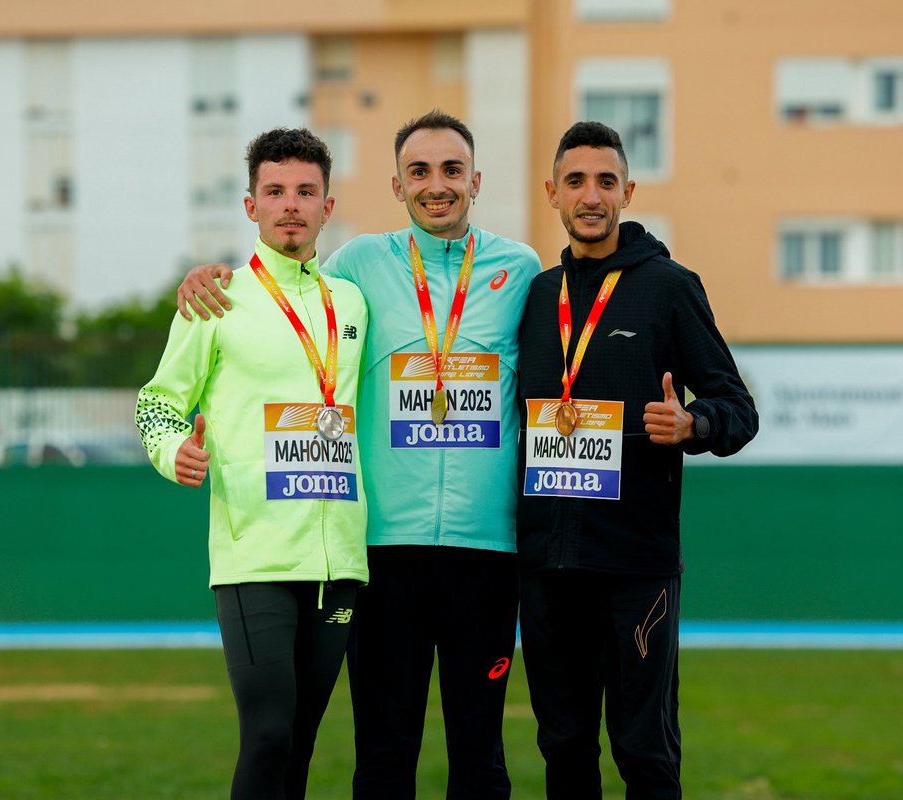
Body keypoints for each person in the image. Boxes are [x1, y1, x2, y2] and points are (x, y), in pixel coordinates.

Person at [175, 110, 541, 799]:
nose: (438, 185)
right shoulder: (357, 268)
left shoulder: (520, 270)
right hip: (382, 554)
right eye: (420, 173)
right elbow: (287, 276)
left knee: (482, 757)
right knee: (382, 753)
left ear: (476, 181)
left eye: (452, 170)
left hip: (487, 552)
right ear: (397, 187)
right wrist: (208, 277)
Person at [516, 121, 759, 798]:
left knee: (644, 753)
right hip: (547, 567)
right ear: (552, 194)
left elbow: (738, 409)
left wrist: (693, 422)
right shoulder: (536, 298)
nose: (590, 195)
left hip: (635, 570)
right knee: (563, 750)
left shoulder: (670, 287)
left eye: (605, 181)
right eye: (575, 181)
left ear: (628, 190)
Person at [136, 127, 369, 800]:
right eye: (275, 192)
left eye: (305, 191)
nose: (290, 205)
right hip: (255, 558)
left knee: (298, 744)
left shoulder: (353, 302)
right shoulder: (215, 299)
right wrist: (169, 448)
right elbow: (157, 403)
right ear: (250, 206)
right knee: (267, 734)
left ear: (328, 205)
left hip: (340, 565)